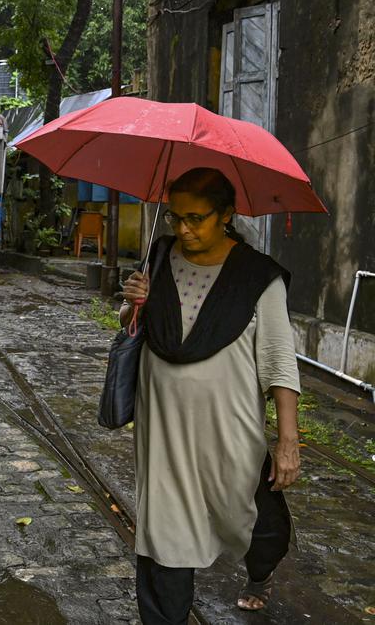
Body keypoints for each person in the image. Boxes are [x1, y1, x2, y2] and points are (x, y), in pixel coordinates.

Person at [120, 167, 301, 623]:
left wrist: (287, 440)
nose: (183, 229)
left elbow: (279, 361)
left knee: (255, 525)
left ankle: (260, 572)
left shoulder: (259, 277)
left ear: (226, 215)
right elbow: (134, 327)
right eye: (176, 217)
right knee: (164, 532)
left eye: (196, 218)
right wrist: (132, 304)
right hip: (163, 429)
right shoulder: (158, 258)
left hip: (230, 431)